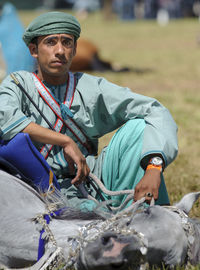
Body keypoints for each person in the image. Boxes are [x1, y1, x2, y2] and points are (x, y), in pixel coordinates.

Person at [0, 11, 178, 211]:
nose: (60, 50)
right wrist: (65, 141)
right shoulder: (18, 84)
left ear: (75, 49)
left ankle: (149, 215)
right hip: (33, 187)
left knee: (137, 127)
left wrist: (154, 166)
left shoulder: (90, 86)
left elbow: (154, 109)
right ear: (34, 50)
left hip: (90, 180)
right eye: (50, 42)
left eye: (67, 42)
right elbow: (6, 121)